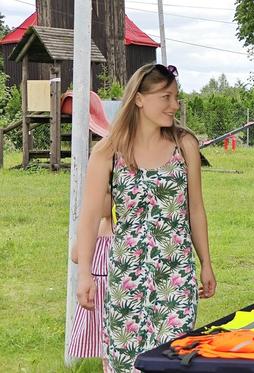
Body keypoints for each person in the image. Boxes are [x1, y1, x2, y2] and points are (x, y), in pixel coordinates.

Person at [75, 63, 216, 372]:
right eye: (165, 97)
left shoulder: (185, 145)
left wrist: (205, 262)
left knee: (172, 359)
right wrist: (84, 273)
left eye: (176, 97)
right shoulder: (108, 152)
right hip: (126, 276)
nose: (174, 105)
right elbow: (88, 219)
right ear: (139, 98)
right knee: (126, 362)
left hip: (177, 274)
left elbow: (196, 209)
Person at [68, 190, 113, 371]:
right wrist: (87, 228)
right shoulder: (97, 227)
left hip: (113, 298)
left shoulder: (121, 230)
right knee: (104, 351)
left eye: (103, 196)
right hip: (98, 298)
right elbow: (76, 255)